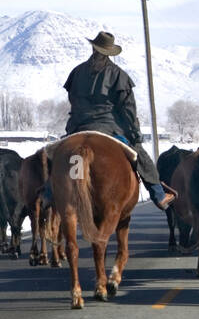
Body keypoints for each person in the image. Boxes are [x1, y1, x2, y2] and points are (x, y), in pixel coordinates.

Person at [63, 31, 176, 209]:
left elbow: (72, 100)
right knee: (141, 156)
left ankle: (47, 192)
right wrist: (133, 132)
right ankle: (158, 195)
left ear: (93, 48)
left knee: (55, 158)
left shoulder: (76, 72)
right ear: (109, 52)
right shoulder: (118, 75)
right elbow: (127, 108)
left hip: (79, 127)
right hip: (110, 128)